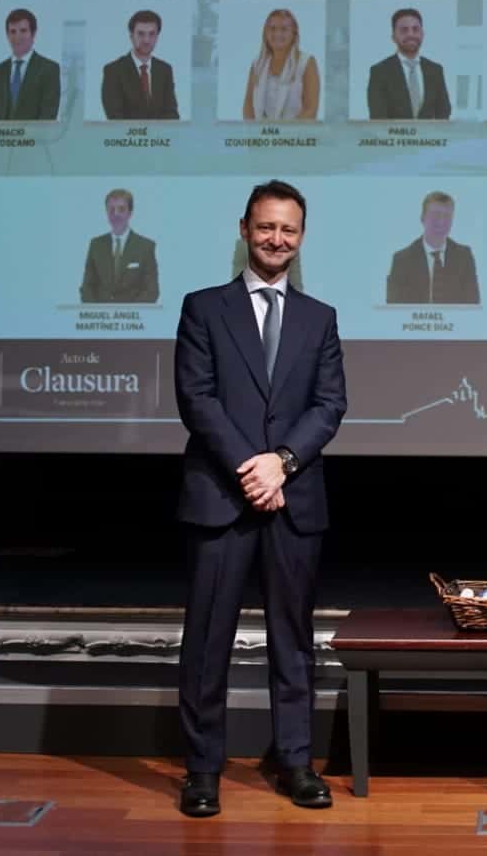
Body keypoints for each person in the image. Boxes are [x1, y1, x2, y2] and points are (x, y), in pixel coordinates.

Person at [175, 179, 347, 818]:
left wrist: (283, 463)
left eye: (290, 230)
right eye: (267, 226)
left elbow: (330, 404)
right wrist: (252, 467)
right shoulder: (203, 308)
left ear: (301, 239)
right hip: (222, 494)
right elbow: (198, 399)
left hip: (293, 496)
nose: (278, 239)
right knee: (207, 641)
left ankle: (296, 763)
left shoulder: (319, 317)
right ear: (244, 229)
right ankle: (201, 770)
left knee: (292, 640)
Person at [385, 191, 480, 304]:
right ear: (422, 218)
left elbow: (473, 307)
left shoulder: (464, 256)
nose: (441, 221)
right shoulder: (402, 260)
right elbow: (394, 310)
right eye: (435, 215)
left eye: (447, 216)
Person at [366, 8, 451, 120]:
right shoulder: (379, 71)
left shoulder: (435, 70)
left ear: (422, 34)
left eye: (415, 29)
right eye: (404, 30)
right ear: (393, 36)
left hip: (430, 137)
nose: (411, 34)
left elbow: (444, 112)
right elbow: (378, 117)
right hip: (393, 137)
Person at [78, 188, 160, 303]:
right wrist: (97, 312)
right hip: (100, 319)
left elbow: (152, 291)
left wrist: (128, 313)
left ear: (130, 213)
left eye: (121, 209)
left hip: (134, 318)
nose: (116, 214)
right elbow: (87, 287)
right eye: (111, 209)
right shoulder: (96, 245)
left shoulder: (146, 246)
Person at [0, 8, 60, 121]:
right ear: (7, 36)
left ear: (33, 34)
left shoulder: (49, 69)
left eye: (23, 31)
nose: (17, 37)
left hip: (35, 138)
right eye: (13, 32)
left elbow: (48, 115)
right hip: (1, 138)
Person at [101, 10, 180, 120]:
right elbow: (115, 117)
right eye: (141, 34)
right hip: (127, 136)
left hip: (160, 136)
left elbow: (172, 113)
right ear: (131, 36)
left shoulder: (165, 70)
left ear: (157, 37)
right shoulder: (113, 71)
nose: (146, 40)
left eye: (152, 34)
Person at [243, 9, 320, 121]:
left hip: (296, 136)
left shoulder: (307, 62)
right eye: (272, 29)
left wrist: (284, 135)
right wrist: (254, 134)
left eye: (284, 29)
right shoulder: (257, 64)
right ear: (265, 32)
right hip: (261, 136)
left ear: (294, 34)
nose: (277, 34)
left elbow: (311, 110)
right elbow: (248, 106)